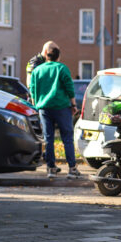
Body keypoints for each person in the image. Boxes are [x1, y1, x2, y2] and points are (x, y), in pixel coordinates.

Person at [29, 41, 81, 179]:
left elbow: (32, 89)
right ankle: (72, 169)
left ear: (47, 56)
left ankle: (51, 168)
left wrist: (36, 105)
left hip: (44, 108)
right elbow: (69, 87)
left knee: (48, 138)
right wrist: (74, 104)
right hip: (61, 107)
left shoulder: (37, 70)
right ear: (58, 56)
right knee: (67, 138)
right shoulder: (62, 68)